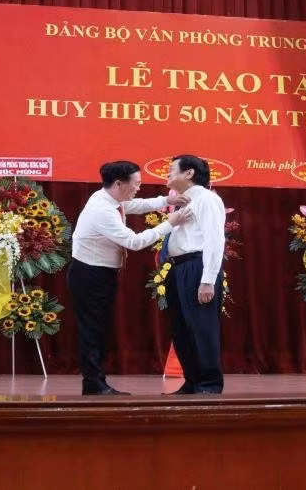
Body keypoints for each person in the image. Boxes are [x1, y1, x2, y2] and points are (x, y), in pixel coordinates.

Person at [68, 161, 192, 395]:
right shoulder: (102, 210)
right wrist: (170, 223)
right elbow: (134, 242)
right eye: (136, 184)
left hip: (98, 273)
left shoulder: (108, 198)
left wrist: (167, 201)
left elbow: (134, 205)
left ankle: (95, 382)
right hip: (90, 275)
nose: (138, 187)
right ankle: (93, 384)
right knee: (92, 331)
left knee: (98, 330)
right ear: (118, 184)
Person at [163, 155, 226, 394]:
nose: (167, 174)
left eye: (171, 170)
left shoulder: (207, 199)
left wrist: (208, 279)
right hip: (179, 268)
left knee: (202, 327)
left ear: (189, 173)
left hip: (197, 267)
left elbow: (214, 239)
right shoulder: (181, 201)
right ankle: (192, 381)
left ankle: (209, 384)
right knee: (181, 329)